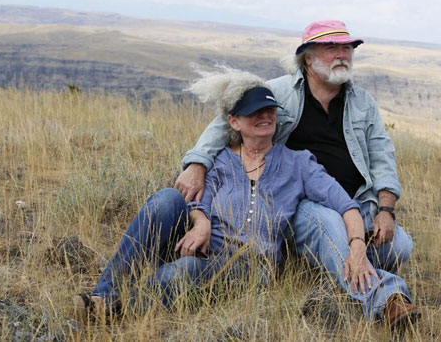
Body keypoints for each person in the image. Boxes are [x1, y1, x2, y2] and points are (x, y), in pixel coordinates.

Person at [75, 68, 406, 326]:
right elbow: (196, 200)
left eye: (270, 110)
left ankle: (115, 309)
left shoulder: (298, 163)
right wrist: (201, 221)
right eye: (253, 112)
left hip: (248, 267)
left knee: (183, 272)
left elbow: (344, 205)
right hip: (207, 247)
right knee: (164, 201)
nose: (264, 116)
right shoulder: (219, 161)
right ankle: (104, 296)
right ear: (233, 121)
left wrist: (358, 245)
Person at [175, 20, 419, 328]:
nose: (342, 54)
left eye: (347, 47)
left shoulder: (363, 103)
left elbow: (382, 157)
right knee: (327, 223)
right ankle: (387, 299)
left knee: (400, 247)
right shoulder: (278, 92)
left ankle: (334, 261)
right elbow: (223, 125)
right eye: (332, 48)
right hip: (299, 200)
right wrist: (197, 166)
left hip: (354, 201)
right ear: (308, 57)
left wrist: (386, 208)